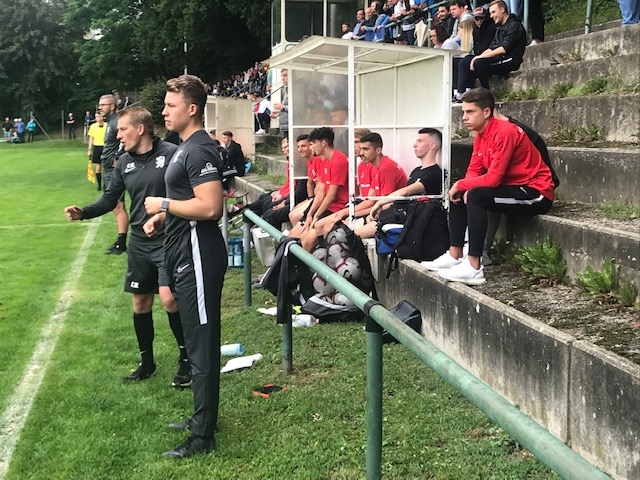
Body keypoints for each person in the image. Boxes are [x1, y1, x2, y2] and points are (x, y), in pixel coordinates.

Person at [64, 106, 191, 387]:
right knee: (140, 302)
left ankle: (186, 360)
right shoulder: (123, 162)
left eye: (122, 129)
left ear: (140, 129)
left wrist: (163, 215)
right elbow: (110, 198)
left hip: (169, 239)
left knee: (169, 299)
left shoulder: (172, 154)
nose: (118, 135)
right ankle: (147, 363)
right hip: (139, 243)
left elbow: (187, 197)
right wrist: (83, 212)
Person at [144, 74, 226, 459]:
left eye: (170, 105)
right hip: (182, 249)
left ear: (192, 109)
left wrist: (162, 204)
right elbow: (189, 200)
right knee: (195, 340)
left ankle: (202, 436)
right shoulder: (184, 147)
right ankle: (201, 418)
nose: (164, 111)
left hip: (199, 254)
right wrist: (165, 217)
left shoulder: (199, 150)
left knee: (201, 341)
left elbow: (210, 207)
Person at [421, 88, 554, 285]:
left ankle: (474, 266)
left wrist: (463, 185)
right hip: (511, 188)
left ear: (486, 112)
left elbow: (493, 180)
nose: (464, 117)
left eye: (470, 112)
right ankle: (455, 254)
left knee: (475, 195)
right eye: (463, 112)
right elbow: (474, 169)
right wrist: (463, 187)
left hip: (535, 192)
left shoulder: (505, 131)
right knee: (462, 191)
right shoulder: (480, 135)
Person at [355, 128, 444, 239]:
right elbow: (400, 198)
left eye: (420, 141)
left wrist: (379, 204)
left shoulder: (434, 173)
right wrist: (380, 209)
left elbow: (406, 192)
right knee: (350, 234)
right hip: (397, 214)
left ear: (432, 145)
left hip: (410, 220)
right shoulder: (416, 171)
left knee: (352, 237)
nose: (414, 145)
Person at [314, 132, 407, 237]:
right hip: (377, 211)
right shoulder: (376, 167)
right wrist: (347, 212)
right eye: (361, 148)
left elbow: (384, 205)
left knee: (335, 231)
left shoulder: (386, 168)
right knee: (325, 226)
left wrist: (352, 214)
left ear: (378, 150)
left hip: (391, 215)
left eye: (365, 149)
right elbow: (369, 200)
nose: (361, 152)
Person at [289, 127, 349, 251]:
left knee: (305, 242)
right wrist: (310, 214)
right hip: (326, 206)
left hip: (338, 207)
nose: (312, 147)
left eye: (314, 143)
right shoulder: (325, 161)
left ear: (323, 143)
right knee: (293, 236)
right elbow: (321, 192)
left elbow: (331, 196)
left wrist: (316, 216)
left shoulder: (339, 160)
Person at [455, 0, 527, 99]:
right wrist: (477, 57)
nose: (491, 16)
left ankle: (486, 95)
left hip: (510, 60)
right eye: (490, 13)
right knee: (465, 61)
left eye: (493, 12)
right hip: (499, 58)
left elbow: (504, 49)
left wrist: (478, 58)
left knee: (479, 63)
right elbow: (491, 48)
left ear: (502, 10)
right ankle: (461, 94)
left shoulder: (514, 25)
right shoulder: (499, 27)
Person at [99, 94, 130, 254]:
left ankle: (121, 243)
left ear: (112, 106)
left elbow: (124, 140)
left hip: (113, 169)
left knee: (118, 205)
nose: (100, 108)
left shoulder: (117, 121)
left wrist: (117, 157)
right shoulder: (110, 122)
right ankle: (120, 241)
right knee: (115, 205)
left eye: (103, 105)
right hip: (108, 168)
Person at [87, 113, 107, 190]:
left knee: (106, 167)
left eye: (99, 116)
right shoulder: (93, 126)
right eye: (96, 117)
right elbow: (91, 138)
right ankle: (99, 185)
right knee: (98, 167)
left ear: (103, 117)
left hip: (105, 147)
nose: (97, 118)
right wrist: (89, 149)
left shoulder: (107, 125)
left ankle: (106, 184)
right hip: (97, 147)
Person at [270, 69, 288, 138]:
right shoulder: (287, 89)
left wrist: (282, 107)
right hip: (286, 126)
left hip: (291, 126)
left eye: (285, 75)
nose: (282, 78)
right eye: (282, 76)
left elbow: (298, 108)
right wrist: (279, 113)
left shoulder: (296, 90)